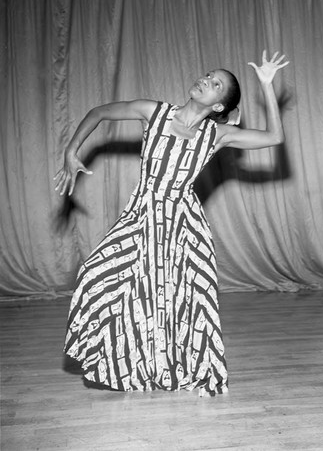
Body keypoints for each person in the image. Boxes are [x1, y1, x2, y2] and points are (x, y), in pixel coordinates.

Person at [55, 50, 289, 395]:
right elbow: (101, 113)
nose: (206, 80)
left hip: (183, 223)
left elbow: (274, 138)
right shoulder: (155, 112)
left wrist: (267, 85)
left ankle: (167, 368)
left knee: (174, 301)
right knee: (96, 274)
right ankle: (118, 357)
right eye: (208, 74)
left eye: (216, 83)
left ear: (219, 106)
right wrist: (71, 150)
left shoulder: (216, 135)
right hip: (142, 213)